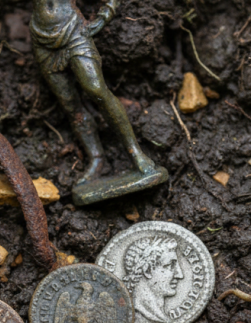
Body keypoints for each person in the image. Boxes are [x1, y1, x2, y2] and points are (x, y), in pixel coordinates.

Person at [30, 0, 157, 185]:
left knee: (97, 90)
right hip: (41, 39)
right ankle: (96, 159)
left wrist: (105, 15)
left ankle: (136, 154)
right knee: (70, 105)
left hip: (74, 31)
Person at [121, 236, 183, 323]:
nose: (180, 275)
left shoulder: (158, 315)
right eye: (170, 265)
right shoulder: (137, 314)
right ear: (147, 271)